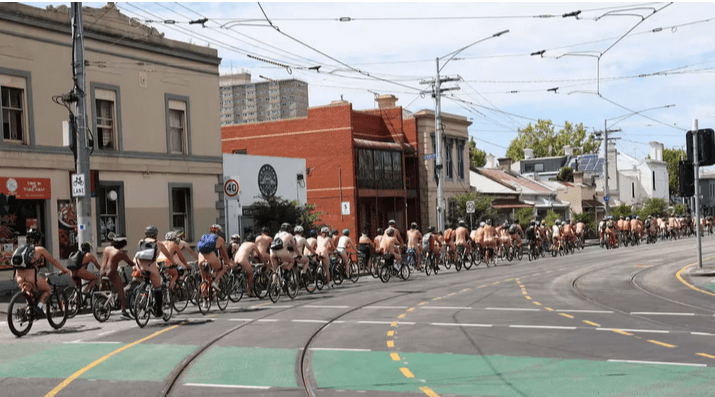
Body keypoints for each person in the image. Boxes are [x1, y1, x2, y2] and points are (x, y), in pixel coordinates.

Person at [14, 228, 69, 318]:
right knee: (48, 290)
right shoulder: (40, 249)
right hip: (31, 277)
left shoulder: (20, 248)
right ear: (38, 240)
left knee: (29, 291)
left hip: (19, 277)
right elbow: (53, 261)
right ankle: (39, 307)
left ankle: (29, 309)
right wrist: (63, 269)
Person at [135, 225, 173, 316]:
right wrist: (173, 262)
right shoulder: (158, 243)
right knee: (157, 288)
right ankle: (159, 311)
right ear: (155, 234)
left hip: (140, 267)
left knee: (146, 281)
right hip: (151, 267)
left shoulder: (141, 242)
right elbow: (168, 254)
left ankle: (141, 294)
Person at [100, 237, 134, 319]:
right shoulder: (120, 253)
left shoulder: (106, 249)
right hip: (111, 272)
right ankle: (123, 311)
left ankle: (101, 301)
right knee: (120, 290)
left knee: (103, 284)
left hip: (102, 271)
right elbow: (130, 262)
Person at [197, 224, 232, 294]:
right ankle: (215, 282)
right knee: (223, 268)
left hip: (200, 258)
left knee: (204, 279)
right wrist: (228, 263)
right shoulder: (220, 239)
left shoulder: (204, 237)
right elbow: (224, 255)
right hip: (212, 258)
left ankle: (204, 301)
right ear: (219, 233)